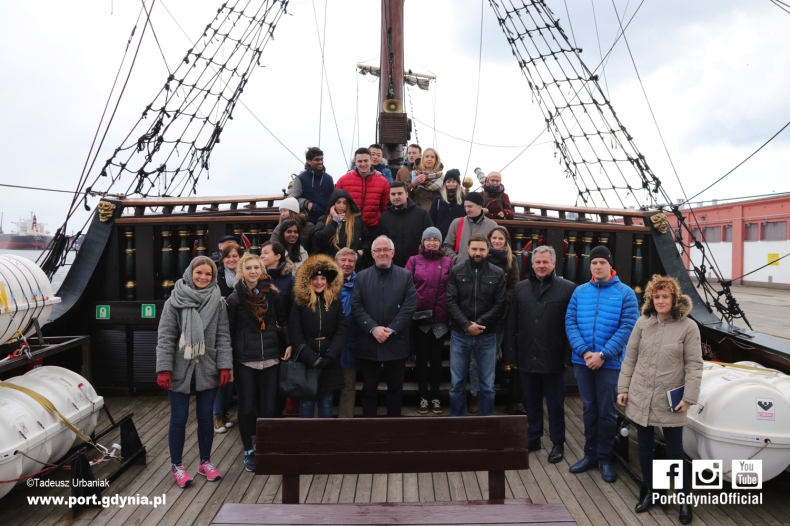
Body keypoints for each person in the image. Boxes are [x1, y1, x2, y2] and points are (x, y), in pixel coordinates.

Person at [618, 275, 702, 524]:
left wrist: (688, 398)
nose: (661, 300)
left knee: (676, 452)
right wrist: (623, 388)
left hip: (670, 399)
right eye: (656, 296)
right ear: (650, 299)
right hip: (641, 395)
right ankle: (652, 491)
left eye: (665, 296)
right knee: (644, 448)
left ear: (674, 298)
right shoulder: (642, 324)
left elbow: (694, 365)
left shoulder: (688, 327)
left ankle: (684, 500)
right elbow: (630, 357)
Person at [155, 256, 232, 488]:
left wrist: (225, 365)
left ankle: (204, 462)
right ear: (190, 272)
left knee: (206, 418)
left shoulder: (218, 301)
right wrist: (164, 369)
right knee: (179, 418)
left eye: (208, 274)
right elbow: (166, 337)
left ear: (213, 276)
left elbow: (223, 335)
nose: (203, 277)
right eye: (199, 273)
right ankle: (176, 466)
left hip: (207, 366)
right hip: (180, 368)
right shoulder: (174, 301)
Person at [565, 245, 638, 483]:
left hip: (610, 363)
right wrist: (585, 352)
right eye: (594, 263)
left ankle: (606, 457)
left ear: (610, 266)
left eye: (602, 263)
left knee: (606, 411)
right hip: (583, 361)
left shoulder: (625, 293)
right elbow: (571, 323)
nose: (597, 267)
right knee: (589, 409)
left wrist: (603, 354)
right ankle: (590, 454)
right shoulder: (580, 292)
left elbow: (628, 326)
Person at [504, 246, 575, 464]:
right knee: (531, 401)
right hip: (527, 354)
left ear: (554, 264)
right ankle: (533, 437)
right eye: (538, 262)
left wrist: (566, 357)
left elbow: (571, 326)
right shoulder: (521, 289)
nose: (541, 266)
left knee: (555, 403)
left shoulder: (568, 288)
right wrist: (511, 355)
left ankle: (558, 442)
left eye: (545, 262)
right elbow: (512, 323)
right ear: (532, 264)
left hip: (553, 355)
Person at [226, 253, 292, 472]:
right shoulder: (234, 299)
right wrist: (230, 361)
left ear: (262, 270)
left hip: (271, 356)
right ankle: (248, 449)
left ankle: (264, 444)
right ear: (242, 271)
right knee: (246, 406)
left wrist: (288, 343)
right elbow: (229, 332)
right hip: (245, 359)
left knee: (268, 406)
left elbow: (282, 321)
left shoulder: (272, 295)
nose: (253, 271)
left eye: (256, 267)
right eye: (249, 268)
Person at [351, 235, 417, 417]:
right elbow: (356, 306)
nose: (382, 253)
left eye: (385, 249)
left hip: (396, 341)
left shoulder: (405, 276)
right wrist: (373, 328)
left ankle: (393, 427)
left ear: (392, 252)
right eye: (378, 250)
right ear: (372, 254)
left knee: (395, 389)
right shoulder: (362, 277)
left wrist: (391, 329)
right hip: (369, 342)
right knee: (369, 389)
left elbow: (409, 306)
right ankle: (369, 427)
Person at [445, 234, 506, 416]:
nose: (477, 253)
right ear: (468, 249)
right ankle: (457, 423)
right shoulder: (457, 271)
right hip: (460, 334)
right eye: (474, 249)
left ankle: (486, 425)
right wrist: (466, 325)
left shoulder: (498, 273)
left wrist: (478, 324)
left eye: (481, 249)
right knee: (457, 384)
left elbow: (500, 303)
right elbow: (450, 301)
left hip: (486, 335)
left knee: (487, 386)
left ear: (488, 250)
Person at [468, 226, 521, 414]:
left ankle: (485, 394)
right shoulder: (481, 258)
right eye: (494, 238)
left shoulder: (511, 260)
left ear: (506, 241)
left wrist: (499, 308)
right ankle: (475, 393)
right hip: (477, 317)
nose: (497, 241)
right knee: (474, 359)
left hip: (498, 318)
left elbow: (513, 287)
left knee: (489, 358)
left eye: (501, 238)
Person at [289, 255, 347, 418]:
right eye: (315, 278)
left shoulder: (335, 302)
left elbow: (341, 329)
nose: (319, 282)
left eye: (323, 278)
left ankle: (324, 440)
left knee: (326, 402)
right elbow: (295, 332)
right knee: (307, 403)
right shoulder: (300, 303)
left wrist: (331, 354)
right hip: (307, 360)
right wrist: (309, 356)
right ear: (308, 280)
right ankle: (306, 440)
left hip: (329, 361)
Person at [404, 227, 452, 414]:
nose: (432, 242)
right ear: (423, 242)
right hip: (419, 318)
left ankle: (436, 396)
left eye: (435, 239)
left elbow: (452, 289)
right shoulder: (414, 261)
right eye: (428, 239)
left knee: (437, 359)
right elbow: (406, 287)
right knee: (422, 359)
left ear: (440, 242)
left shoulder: (448, 262)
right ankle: (423, 397)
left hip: (440, 318)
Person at [213, 242, 243, 434]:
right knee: (220, 372)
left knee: (231, 375)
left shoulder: (246, 275)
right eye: (228, 256)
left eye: (235, 256)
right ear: (222, 259)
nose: (231, 259)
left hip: (239, 329)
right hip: (220, 329)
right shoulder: (216, 277)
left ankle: (224, 411)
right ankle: (216, 414)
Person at [335, 148, 390, 235]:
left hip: (373, 229)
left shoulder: (383, 182)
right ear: (355, 162)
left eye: (365, 161)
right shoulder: (343, 181)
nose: (363, 164)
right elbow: (335, 204)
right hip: (349, 228)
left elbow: (385, 209)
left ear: (371, 161)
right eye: (360, 161)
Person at [378, 181, 434, 267]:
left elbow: (430, 239)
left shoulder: (421, 214)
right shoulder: (384, 217)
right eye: (393, 194)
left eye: (400, 193)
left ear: (407, 194)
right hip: (392, 267)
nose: (396, 197)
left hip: (417, 267)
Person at [313, 189, 370, 261]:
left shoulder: (356, 220)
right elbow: (320, 239)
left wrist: (362, 251)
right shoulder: (324, 219)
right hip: (332, 263)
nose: (341, 206)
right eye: (338, 202)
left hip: (353, 263)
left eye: (344, 203)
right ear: (333, 204)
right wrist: (335, 220)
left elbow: (367, 239)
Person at [335, 248, 359, 418]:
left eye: (351, 261)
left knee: (348, 386)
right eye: (343, 260)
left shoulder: (362, 282)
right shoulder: (324, 282)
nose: (347, 264)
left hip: (351, 342)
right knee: (322, 386)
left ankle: (346, 425)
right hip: (328, 344)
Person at [443, 192, 497, 264]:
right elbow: (447, 246)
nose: (467, 210)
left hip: (484, 271)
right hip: (461, 269)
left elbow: (496, 249)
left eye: (470, 206)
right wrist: (456, 259)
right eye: (465, 206)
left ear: (480, 206)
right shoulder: (457, 223)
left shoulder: (492, 225)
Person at [290, 146, 335, 225]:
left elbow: (333, 199)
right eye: (317, 160)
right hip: (308, 222)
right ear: (308, 161)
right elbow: (293, 200)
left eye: (321, 159)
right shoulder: (301, 178)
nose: (320, 162)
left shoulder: (329, 178)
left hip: (327, 221)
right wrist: (306, 203)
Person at [261, 241, 295, 317]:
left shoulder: (291, 281)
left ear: (277, 256)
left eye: (266, 253)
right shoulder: (258, 279)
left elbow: (294, 310)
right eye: (261, 253)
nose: (261, 256)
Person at [429, 169, 466, 240]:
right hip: (440, 238)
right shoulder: (438, 201)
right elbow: (432, 220)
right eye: (448, 182)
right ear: (445, 184)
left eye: (454, 181)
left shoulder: (463, 201)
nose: (451, 184)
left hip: (458, 238)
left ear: (458, 184)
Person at [409, 147, 444, 211]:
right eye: (427, 156)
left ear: (436, 160)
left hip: (436, 214)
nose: (429, 159)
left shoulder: (441, 177)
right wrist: (414, 184)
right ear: (423, 159)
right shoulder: (414, 174)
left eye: (432, 157)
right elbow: (405, 193)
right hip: (418, 213)